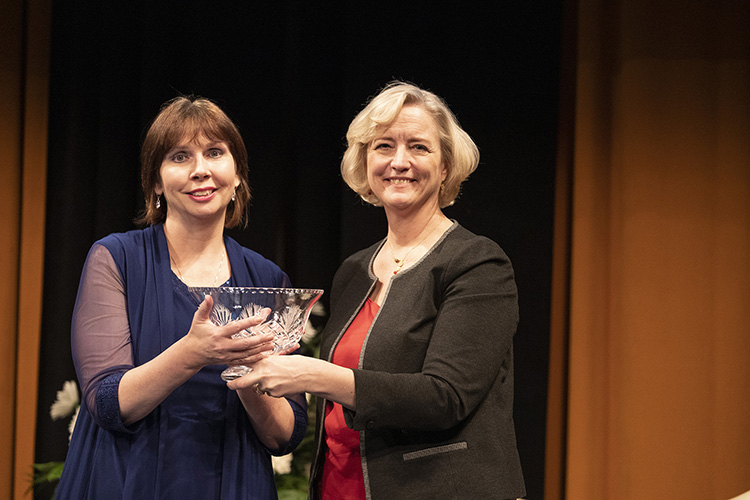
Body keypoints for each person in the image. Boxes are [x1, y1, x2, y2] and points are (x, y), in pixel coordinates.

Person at [229, 81, 526, 500]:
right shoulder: (354, 270)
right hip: (340, 486)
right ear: (365, 161)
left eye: (419, 147)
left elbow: (445, 397)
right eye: (384, 146)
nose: (399, 162)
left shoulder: (477, 263)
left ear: (445, 167)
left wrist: (316, 375)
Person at [56, 96, 307, 500]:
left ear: (238, 173)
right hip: (124, 480)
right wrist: (193, 352)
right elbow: (106, 402)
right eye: (179, 157)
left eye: (214, 153)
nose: (200, 170)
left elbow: (284, 435)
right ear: (155, 181)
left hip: (233, 482)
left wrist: (245, 374)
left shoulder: (267, 278)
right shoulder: (116, 258)